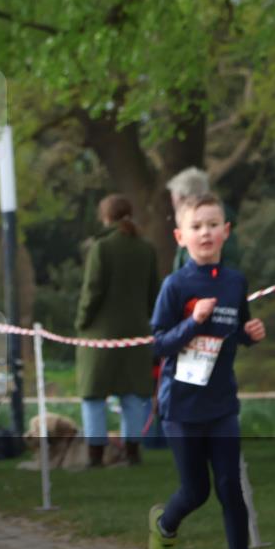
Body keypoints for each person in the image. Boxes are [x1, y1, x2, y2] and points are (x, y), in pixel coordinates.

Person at [147, 193, 266, 549]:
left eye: (213, 224)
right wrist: (192, 323)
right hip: (180, 406)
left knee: (230, 486)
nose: (206, 232)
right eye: (196, 227)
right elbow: (158, 345)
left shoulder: (235, 282)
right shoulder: (175, 286)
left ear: (226, 232)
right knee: (195, 491)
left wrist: (250, 336)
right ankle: (165, 525)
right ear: (181, 236)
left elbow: (236, 329)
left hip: (221, 406)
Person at [75, 194, 159, 467]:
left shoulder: (102, 247)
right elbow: (153, 293)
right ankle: (133, 452)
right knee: (133, 395)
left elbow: (92, 291)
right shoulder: (146, 248)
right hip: (136, 331)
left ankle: (95, 456)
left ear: (105, 216)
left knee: (94, 395)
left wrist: (81, 321)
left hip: (101, 334)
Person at [166, 167, 241, 270]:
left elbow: (228, 273)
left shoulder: (219, 235)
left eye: (176, 200)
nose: (174, 205)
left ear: (189, 200)